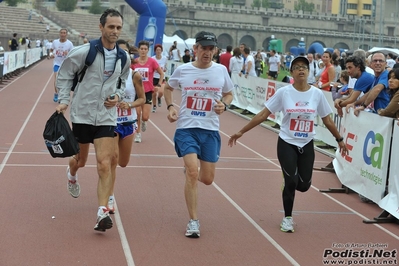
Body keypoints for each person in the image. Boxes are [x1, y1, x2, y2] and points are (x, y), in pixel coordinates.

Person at [228, 56, 348, 233]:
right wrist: (242, 131)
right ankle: (288, 218)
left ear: (308, 72)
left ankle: (291, 181)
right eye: (297, 67)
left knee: (304, 185)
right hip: (287, 142)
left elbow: (328, 120)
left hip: (306, 143)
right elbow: (263, 114)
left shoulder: (316, 94)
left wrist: (339, 139)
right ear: (291, 72)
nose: (301, 70)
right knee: (291, 181)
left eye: (304, 67)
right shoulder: (284, 93)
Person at [55, 8, 131, 232]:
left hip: (107, 116)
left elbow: (122, 80)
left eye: (118, 27)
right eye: (111, 27)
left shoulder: (123, 56)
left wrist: (117, 96)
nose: (115, 31)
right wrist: (63, 100)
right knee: (81, 160)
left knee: (105, 163)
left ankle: (101, 212)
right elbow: (65, 74)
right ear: (101, 27)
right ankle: (71, 175)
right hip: (83, 114)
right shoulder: (83, 52)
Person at [164, 31, 233, 238]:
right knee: (193, 172)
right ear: (196, 49)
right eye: (203, 48)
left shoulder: (221, 70)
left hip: (210, 130)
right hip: (186, 128)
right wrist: (170, 107)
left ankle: (191, 171)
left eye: (211, 49)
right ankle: (193, 221)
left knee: (207, 178)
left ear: (215, 50)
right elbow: (167, 88)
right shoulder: (183, 70)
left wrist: (224, 105)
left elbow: (229, 94)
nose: (207, 52)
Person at [108, 39, 145, 214]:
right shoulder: (107, 74)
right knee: (113, 159)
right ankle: (109, 197)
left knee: (123, 162)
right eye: (118, 52)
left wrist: (129, 105)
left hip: (128, 122)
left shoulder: (134, 75)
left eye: (125, 53)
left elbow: (142, 99)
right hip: (111, 123)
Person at [132, 40, 164, 143]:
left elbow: (161, 73)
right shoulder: (134, 62)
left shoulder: (152, 62)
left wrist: (158, 85)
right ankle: (138, 133)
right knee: (137, 113)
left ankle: (144, 122)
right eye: (141, 49)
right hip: (136, 91)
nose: (143, 51)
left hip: (148, 92)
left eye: (145, 49)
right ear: (138, 50)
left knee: (145, 116)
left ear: (148, 50)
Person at [50, 28, 74, 102]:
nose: (63, 34)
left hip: (65, 65)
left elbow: (73, 54)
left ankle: (63, 94)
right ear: (59, 34)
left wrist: (68, 54)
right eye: (61, 33)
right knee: (56, 79)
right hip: (57, 64)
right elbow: (51, 49)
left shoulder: (69, 44)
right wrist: (51, 54)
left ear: (66, 34)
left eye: (64, 33)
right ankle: (56, 94)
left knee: (65, 80)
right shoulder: (55, 42)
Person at [151, 44, 167, 112]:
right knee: (154, 94)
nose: (158, 51)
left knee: (161, 92)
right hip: (154, 78)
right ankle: (154, 106)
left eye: (159, 50)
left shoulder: (164, 58)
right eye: (157, 50)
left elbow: (165, 67)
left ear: (161, 51)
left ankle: (159, 98)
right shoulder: (152, 58)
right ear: (155, 51)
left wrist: (164, 69)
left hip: (161, 77)